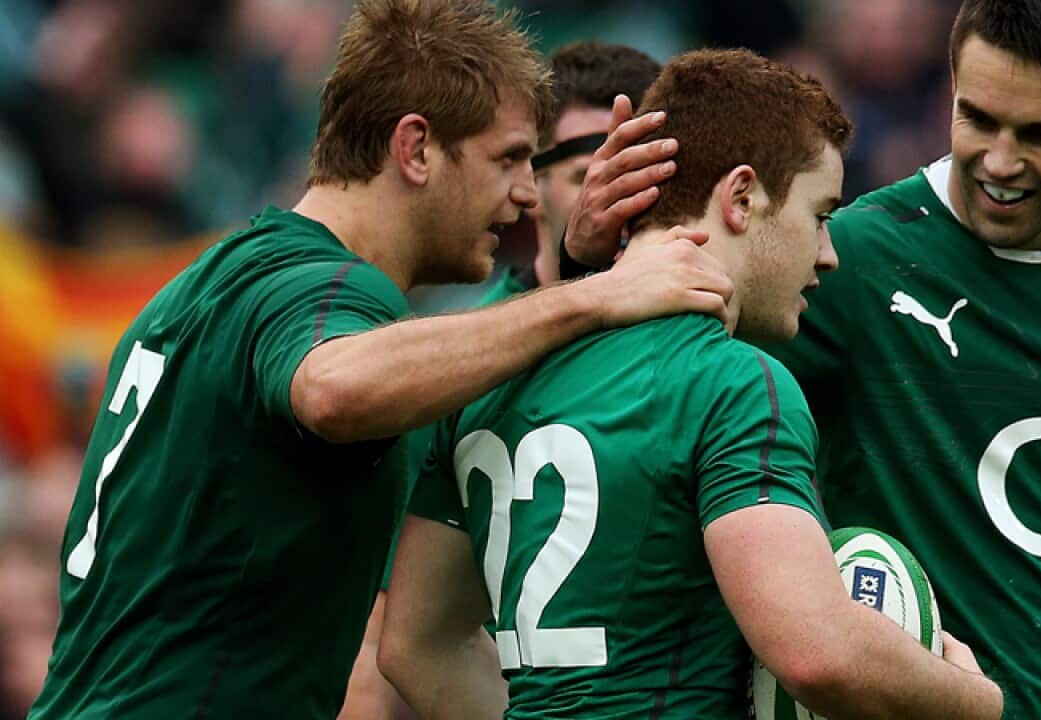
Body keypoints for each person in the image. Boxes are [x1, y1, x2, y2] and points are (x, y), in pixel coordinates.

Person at [566, 1, 1041, 718]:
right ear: (950, 81)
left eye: (1040, 133)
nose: (1000, 161)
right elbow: (631, 369)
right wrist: (587, 260)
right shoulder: (842, 260)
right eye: (978, 118)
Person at [27, 1, 735, 718]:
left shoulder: (205, 287)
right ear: (416, 148)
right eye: (507, 158)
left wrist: (577, 274)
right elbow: (335, 386)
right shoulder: (326, 286)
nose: (525, 195)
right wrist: (600, 298)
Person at [378, 48, 1004, 720]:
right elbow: (817, 653)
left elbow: (418, 646)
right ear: (740, 197)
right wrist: (977, 701)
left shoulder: (488, 377)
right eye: (820, 215)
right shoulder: (731, 382)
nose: (828, 254)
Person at [483, 41, 661, 303]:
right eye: (588, 178)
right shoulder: (484, 337)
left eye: (643, 172)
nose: (622, 198)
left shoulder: (708, 325)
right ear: (532, 187)